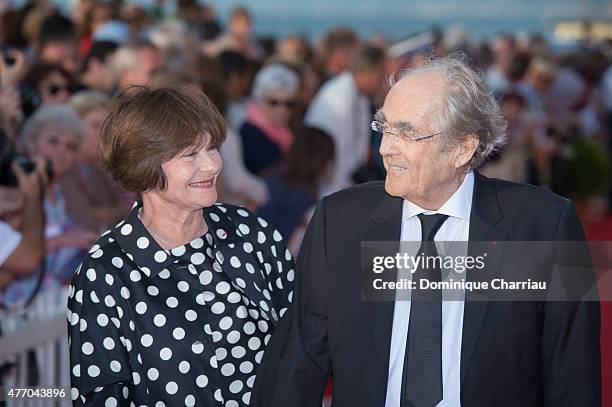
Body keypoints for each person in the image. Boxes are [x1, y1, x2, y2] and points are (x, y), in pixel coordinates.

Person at [252, 54, 600, 406]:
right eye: (384, 127)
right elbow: (297, 362)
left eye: (406, 132)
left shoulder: (545, 226)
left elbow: (572, 374)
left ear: (463, 147)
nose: (386, 148)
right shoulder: (339, 222)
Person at [67, 82, 295, 406]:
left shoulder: (250, 233)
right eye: (190, 154)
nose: (213, 164)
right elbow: (101, 396)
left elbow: (298, 344)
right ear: (143, 167)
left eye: (212, 147)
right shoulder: (105, 273)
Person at [305, 44, 385, 196]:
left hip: (343, 185)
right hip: (329, 188)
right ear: (367, 71)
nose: (383, 78)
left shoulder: (356, 95)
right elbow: (336, 158)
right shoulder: (339, 99)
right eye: (381, 73)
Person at [240, 63, 299, 175]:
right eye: (273, 102)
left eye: (289, 103)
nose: (281, 110)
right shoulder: (249, 133)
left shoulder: (287, 132)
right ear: (258, 100)